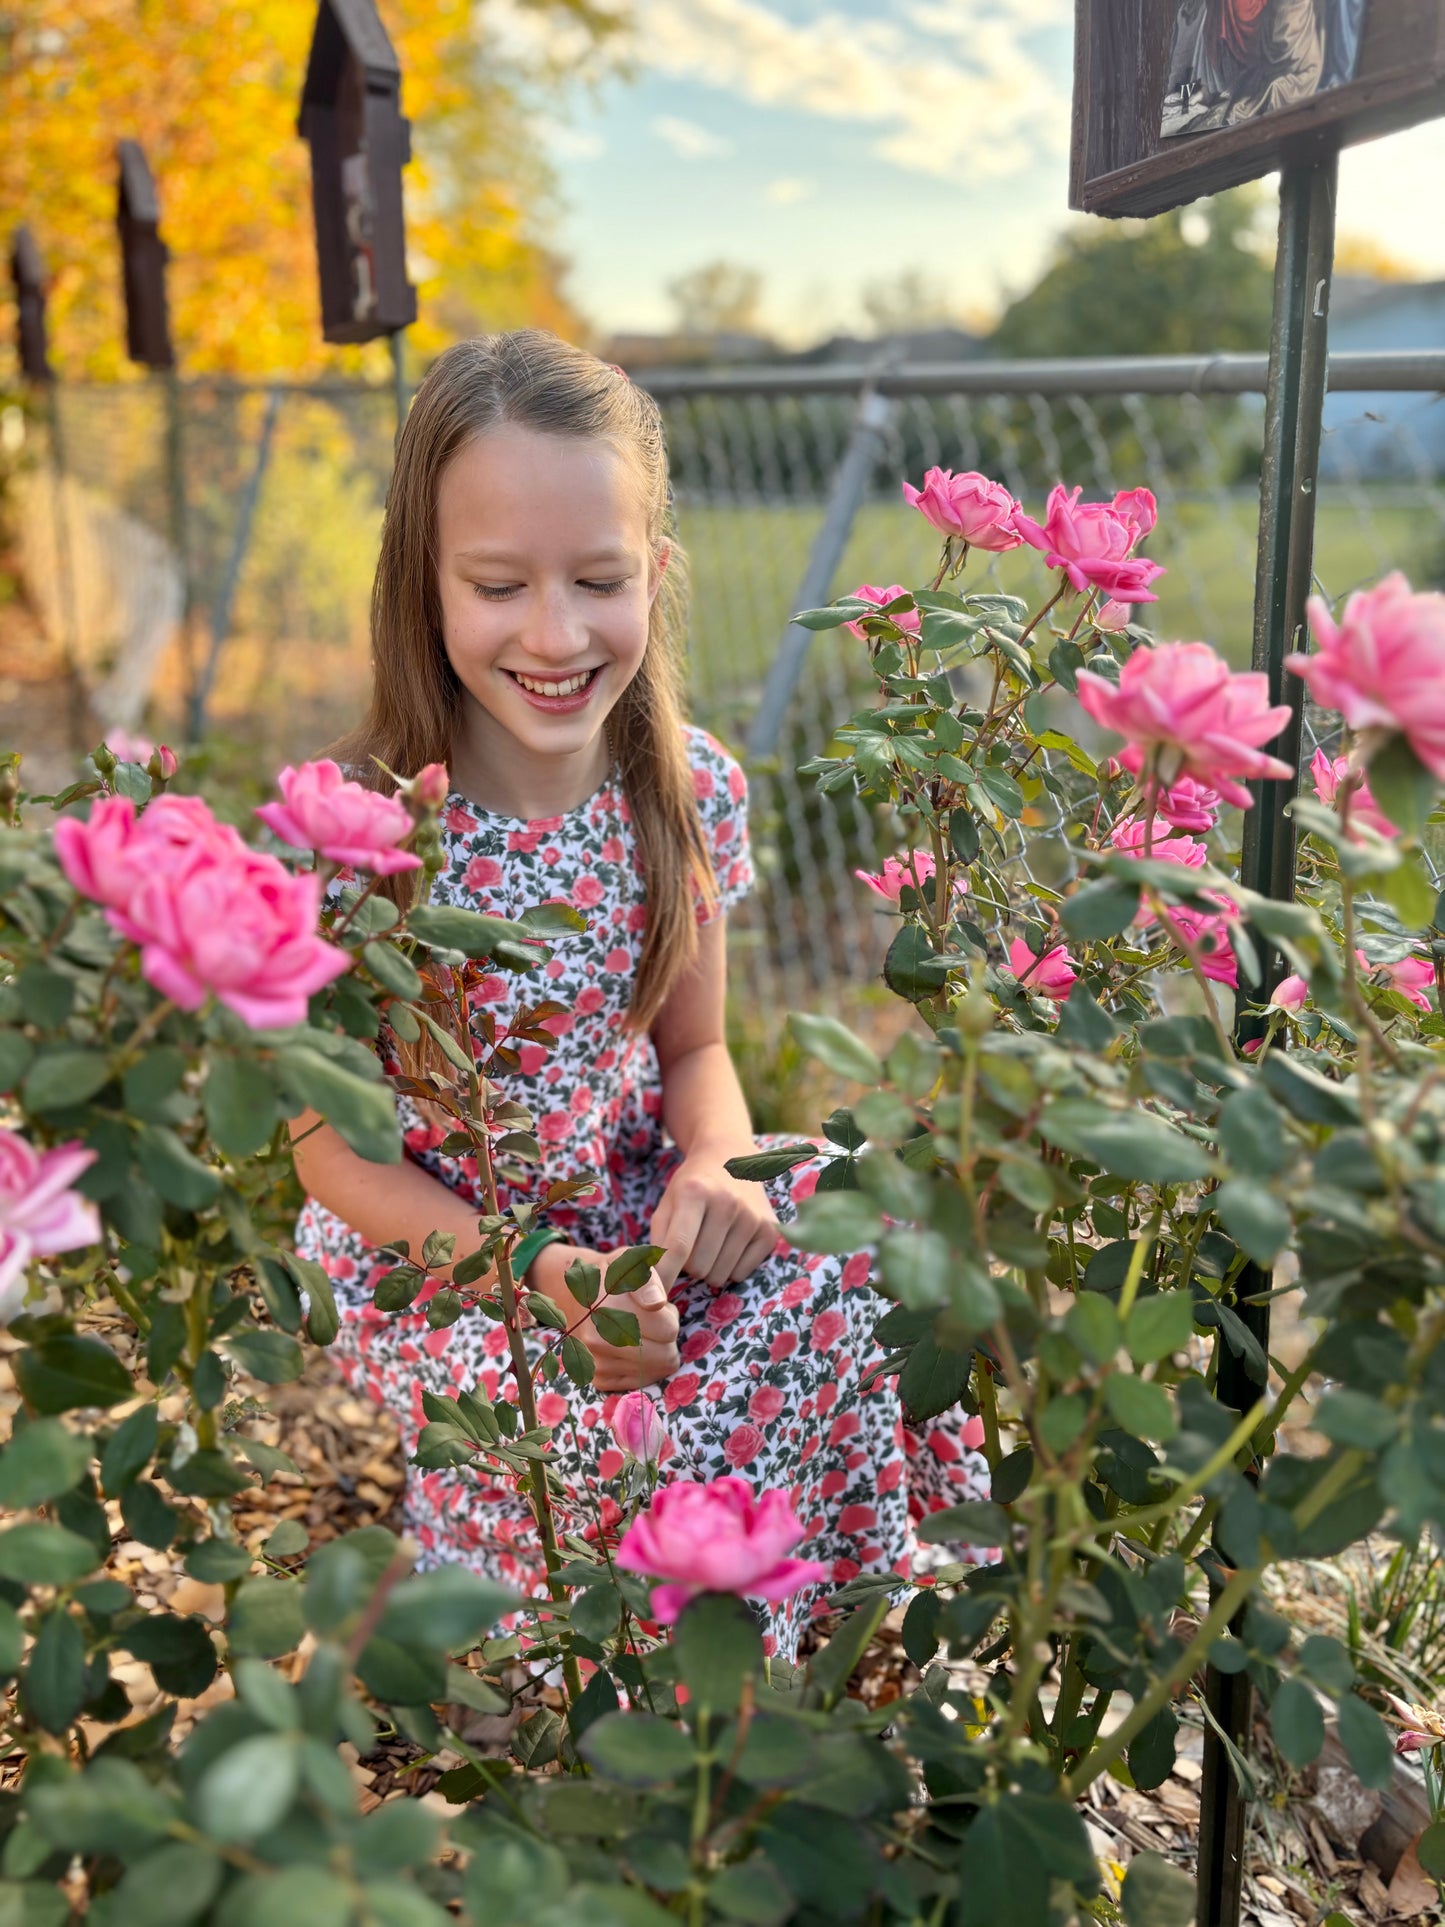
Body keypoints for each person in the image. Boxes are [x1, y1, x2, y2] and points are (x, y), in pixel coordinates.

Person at [290, 331, 988, 1654]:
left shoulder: (683, 790)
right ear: (421, 587)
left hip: (621, 1198)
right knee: (601, 1427)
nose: (553, 636)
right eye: (497, 585)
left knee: (854, 1230)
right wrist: (538, 1273)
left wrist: (720, 1163)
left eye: (597, 581)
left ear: (654, 577)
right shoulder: (359, 835)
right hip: (436, 1255)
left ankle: (853, 1618)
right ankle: (599, 1659)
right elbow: (330, 1153)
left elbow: (697, 1051)